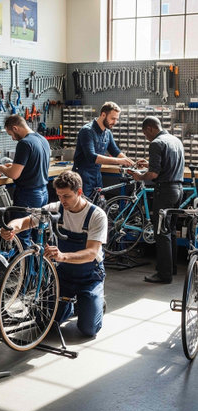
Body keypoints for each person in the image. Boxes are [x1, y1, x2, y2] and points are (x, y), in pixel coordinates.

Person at [1, 170, 108, 337]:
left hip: (89, 276)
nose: (62, 200)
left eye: (66, 196)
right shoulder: (55, 209)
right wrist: (12, 227)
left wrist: (62, 256)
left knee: (89, 329)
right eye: (59, 196)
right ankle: (71, 305)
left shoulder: (96, 216)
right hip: (63, 275)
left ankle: (94, 301)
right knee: (43, 322)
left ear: (79, 192)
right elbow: (25, 221)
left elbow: (91, 253)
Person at [129, 116, 185, 284]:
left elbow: (153, 175)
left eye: (145, 133)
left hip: (165, 191)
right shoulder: (176, 140)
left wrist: (139, 176)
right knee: (171, 230)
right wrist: (150, 163)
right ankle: (171, 268)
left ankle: (164, 274)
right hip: (178, 190)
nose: (146, 137)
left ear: (151, 128)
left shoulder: (156, 143)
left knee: (161, 232)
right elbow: (165, 165)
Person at [0, 114, 50, 248]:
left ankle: (24, 268)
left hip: (28, 195)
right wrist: (13, 165)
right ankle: (38, 268)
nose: (12, 138)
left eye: (11, 134)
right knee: (38, 235)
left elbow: (14, 174)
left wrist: (1, 168)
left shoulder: (24, 143)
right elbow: (32, 165)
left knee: (22, 235)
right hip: (43, 193)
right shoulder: (42, 140)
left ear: (15, 128)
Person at [72, 101, 135, 197]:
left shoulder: (107, 132)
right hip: (82, 177)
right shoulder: (87, 131)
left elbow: (115, 151)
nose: (115, 122)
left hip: (97, 176)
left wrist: (130, 163)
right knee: (83, 208)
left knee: (99, 206)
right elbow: (92, 157)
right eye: (113, 118)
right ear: (103, 115)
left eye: (117, 119)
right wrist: (120, 161)